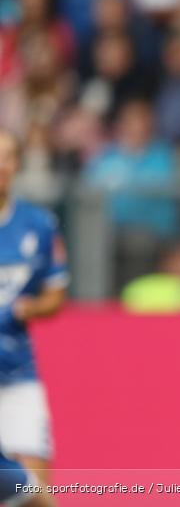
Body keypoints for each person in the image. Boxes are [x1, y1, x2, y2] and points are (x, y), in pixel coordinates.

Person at [0, 128, 68, 498]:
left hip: (16, 374)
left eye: (8, 157)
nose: (0, 166)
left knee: (34, 492)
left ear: (17, 165)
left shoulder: (38, 224)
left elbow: (55, 295)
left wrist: (31, 307)